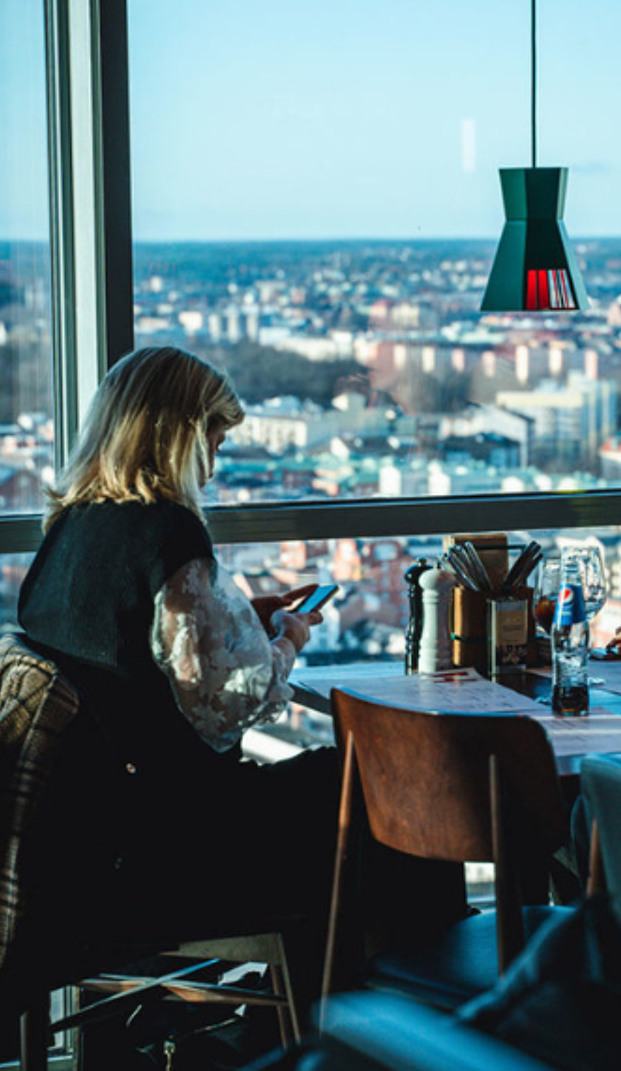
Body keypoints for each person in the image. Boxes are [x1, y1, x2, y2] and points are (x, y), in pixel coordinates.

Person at [10, 348, 451, 1005]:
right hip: (175, 840)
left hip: (87, 837)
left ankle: (328, 1004)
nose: (214, 464)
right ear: (179, 437)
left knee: (340, 793)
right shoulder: (168, 531)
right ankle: (422, 1006)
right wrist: (288, 639)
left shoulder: (65, 532)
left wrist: (247, 623)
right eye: (212, 439)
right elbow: (229, 703)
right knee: (383, 786)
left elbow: (143, 651)